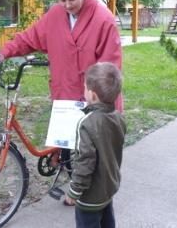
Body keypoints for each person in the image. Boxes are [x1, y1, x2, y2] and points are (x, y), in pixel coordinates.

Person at [0, 0, 123, 112]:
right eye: (62, 0)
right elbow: (28, 39)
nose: (67, 5)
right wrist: (4, 53)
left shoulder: (103, 19)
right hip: (64, 98)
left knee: (90, 134)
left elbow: (110, 69)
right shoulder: (55, 14)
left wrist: (98, 101)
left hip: (96, 101)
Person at [64, 62, 126, 228]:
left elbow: (85, 161)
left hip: (90, 195)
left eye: (85, 87)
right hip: (108, 186)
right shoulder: (118, 117)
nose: (83, 90)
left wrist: (74, 191)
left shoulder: (87, 123)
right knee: (107, 221)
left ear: (92, 95)